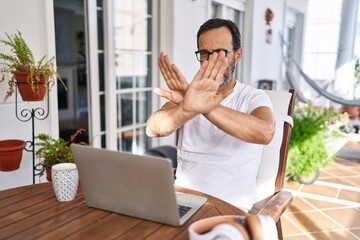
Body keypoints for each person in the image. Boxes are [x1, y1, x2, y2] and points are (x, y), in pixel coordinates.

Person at [146, 18, 275, 212]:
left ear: (237, 55)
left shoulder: (252, 97)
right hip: (181, 202)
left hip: (230, 209)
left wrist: (203, 107)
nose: (210, 60)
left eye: (220, 52)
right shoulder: (189, 97)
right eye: (205, 53)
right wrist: (186, 109)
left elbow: (265, 133)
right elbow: (152, 129)